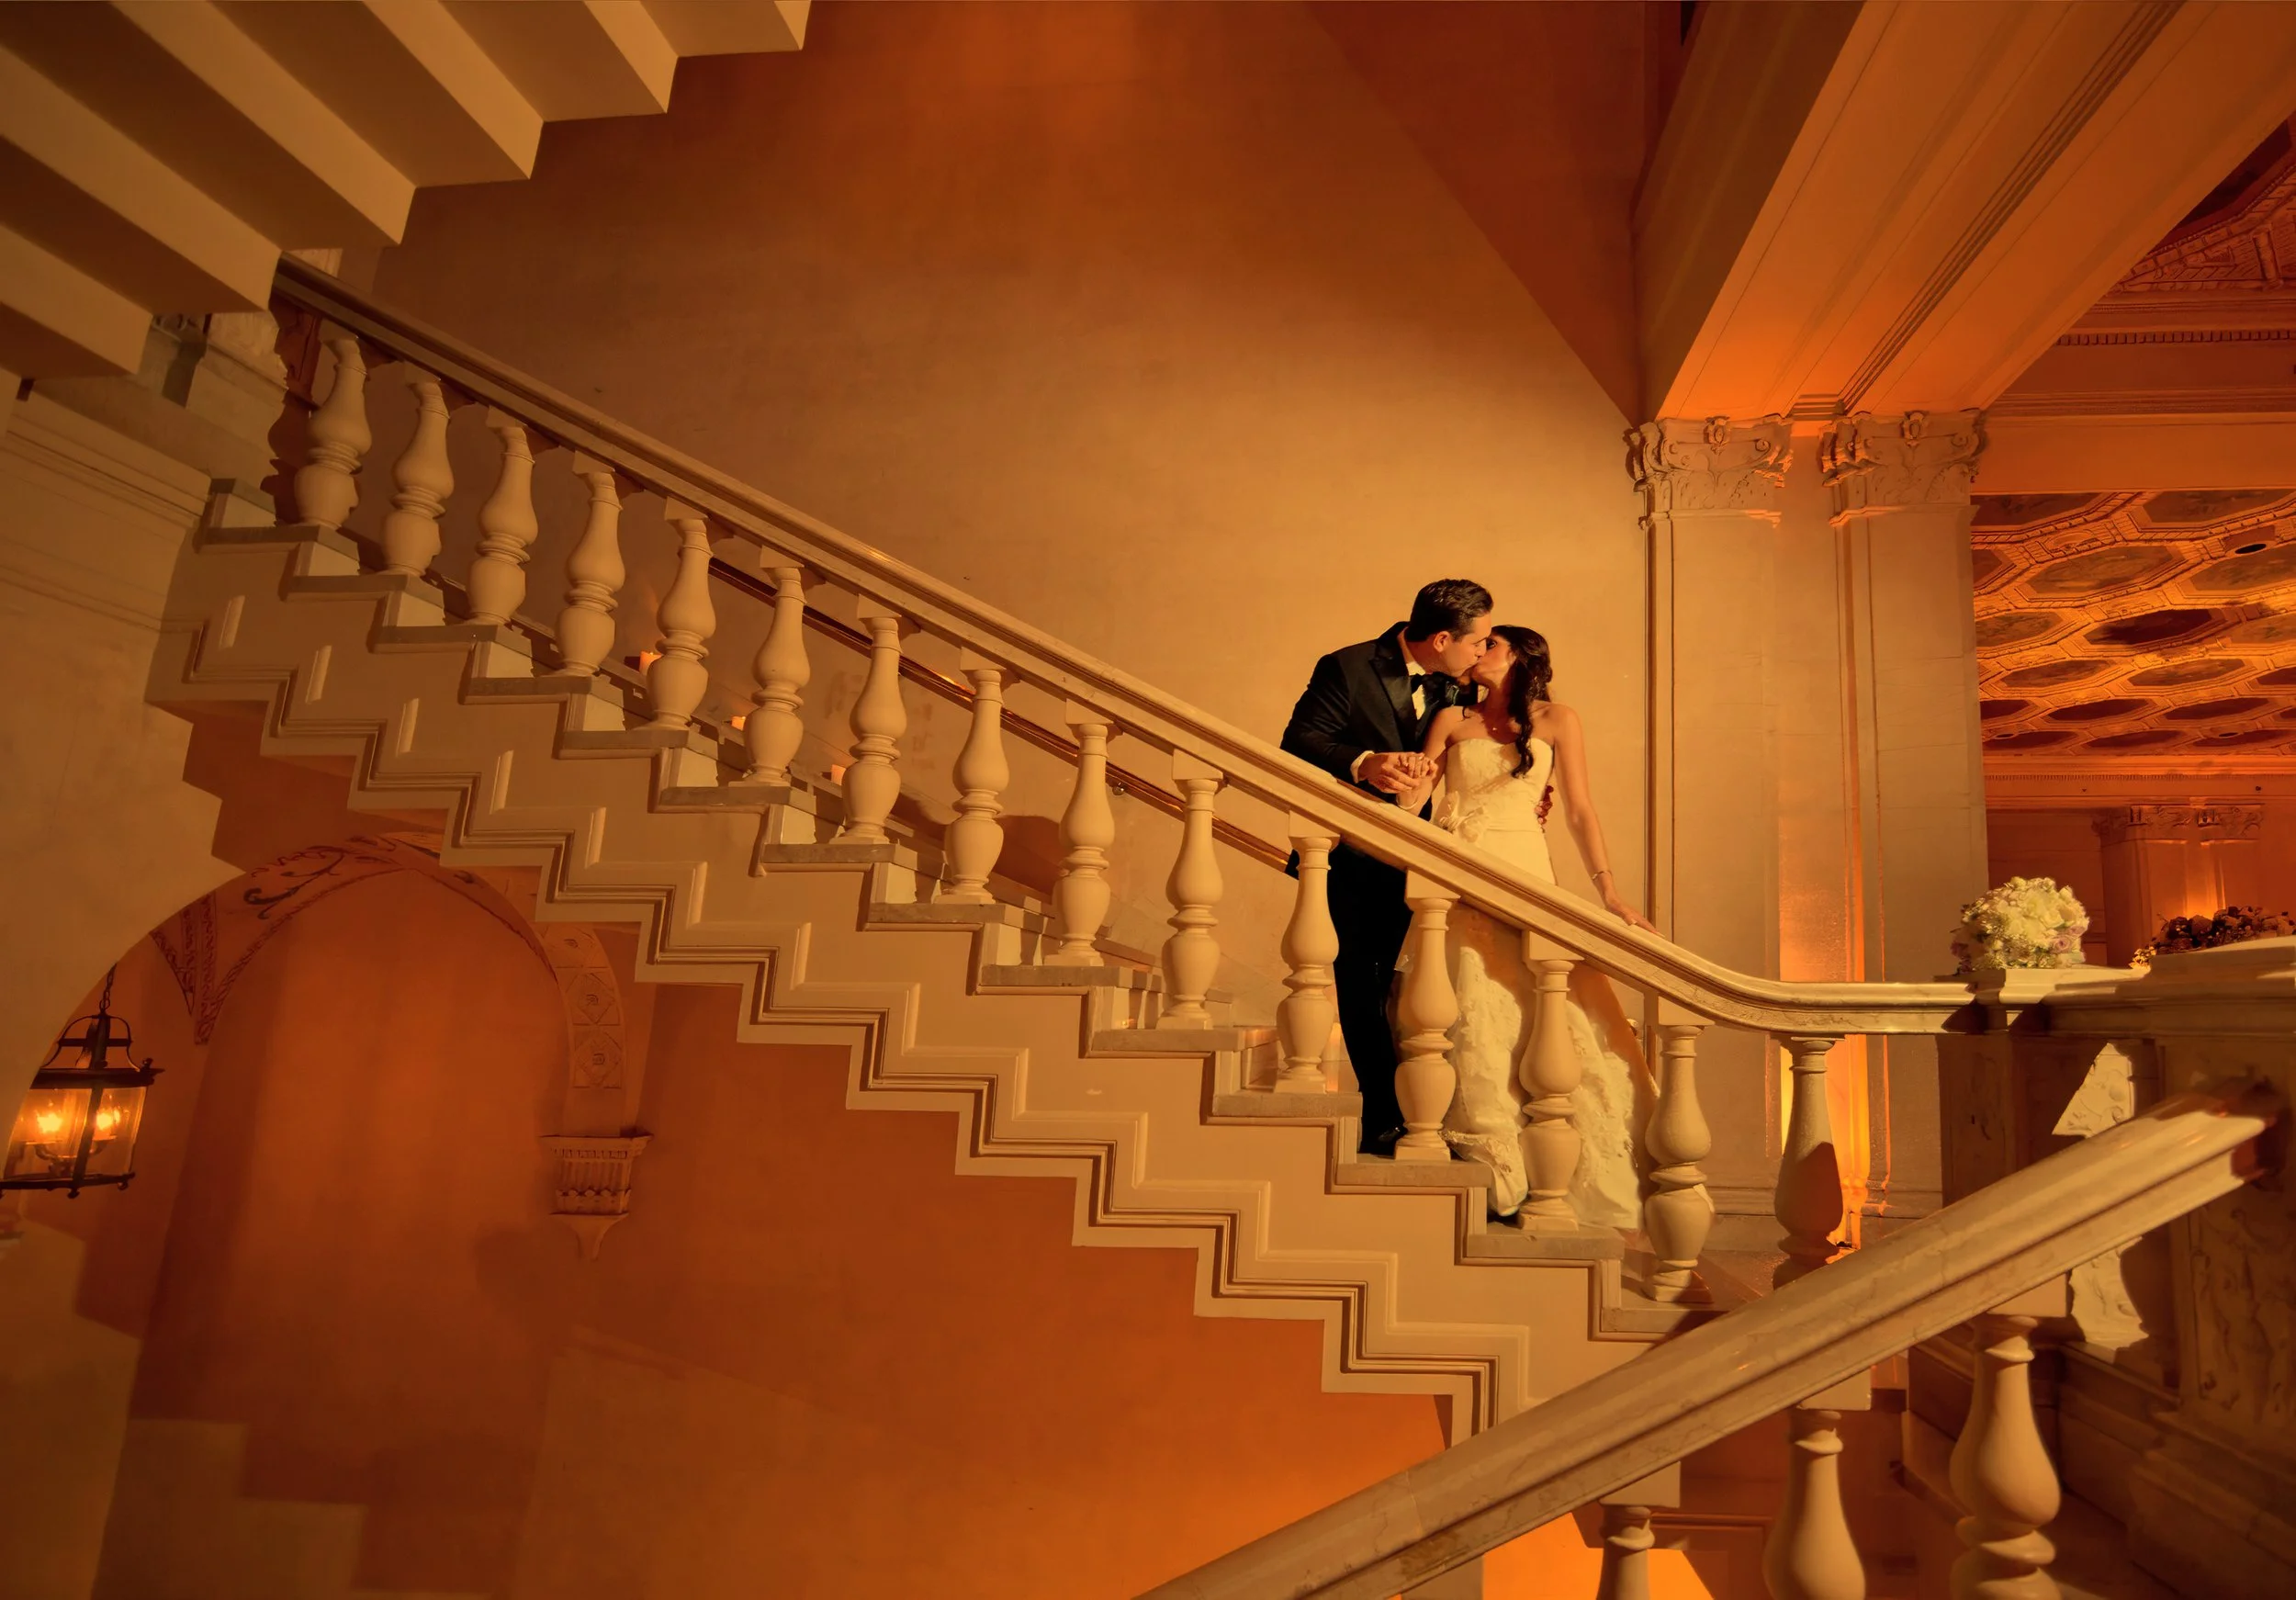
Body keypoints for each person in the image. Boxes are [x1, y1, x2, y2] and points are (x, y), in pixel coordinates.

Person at [1397, 625, 1657, 1223]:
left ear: (1518, 655)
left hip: (1525, 866)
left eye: (1490, 643)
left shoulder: (1558, 719)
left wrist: (1610, 894)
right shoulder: (1449, 721)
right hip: (1463, 867)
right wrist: (1410, 791)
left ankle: (1560, 1167)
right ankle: (1498, 1164)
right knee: (1474, 1006)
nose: (1476, 648)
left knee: (1545, 1005)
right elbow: (1419, 803)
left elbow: (1580, 809)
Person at [1280, 580, 1494, 1154]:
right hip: (1352, 853)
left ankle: (1442, 1112)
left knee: (1427, 988)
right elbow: (1298, 738)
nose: (1481, 651)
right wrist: (1365, 761)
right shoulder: (1347, 667)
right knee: (1363, 981)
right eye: (1475, 642)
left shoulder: (1468, 684)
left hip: (1434, 858)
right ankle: (1383, 1115)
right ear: (1443, 637)